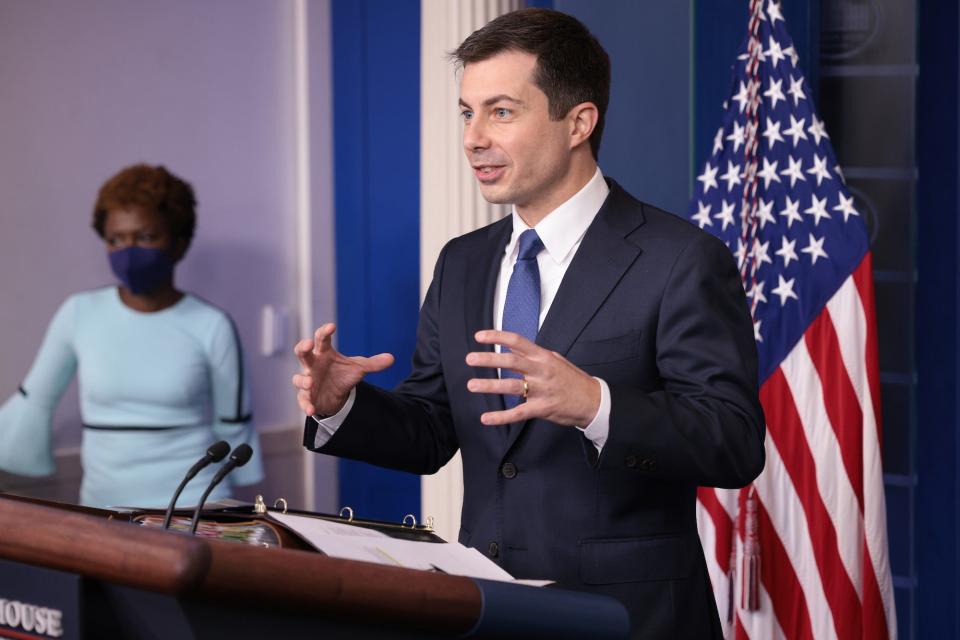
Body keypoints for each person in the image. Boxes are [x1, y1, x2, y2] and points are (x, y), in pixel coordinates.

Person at [292, 9, 764, 637]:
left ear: (578, 122)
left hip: (629, 617)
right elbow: (435, 428)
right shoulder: (462, 262)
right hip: (485, 608)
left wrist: (594, 403)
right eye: (467, 112)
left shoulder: (681, 259)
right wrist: (341, 408)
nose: (473, 138)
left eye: (501, 111)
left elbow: (732, 441)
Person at [0, 164, 263, 508]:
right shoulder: (79, 313)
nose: (128, 250)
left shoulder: (212, 324)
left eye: (145, 237)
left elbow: (234, 428)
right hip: (104, 508)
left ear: (179, 243)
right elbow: (33, 402)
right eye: (115, 239)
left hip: (195, 506)